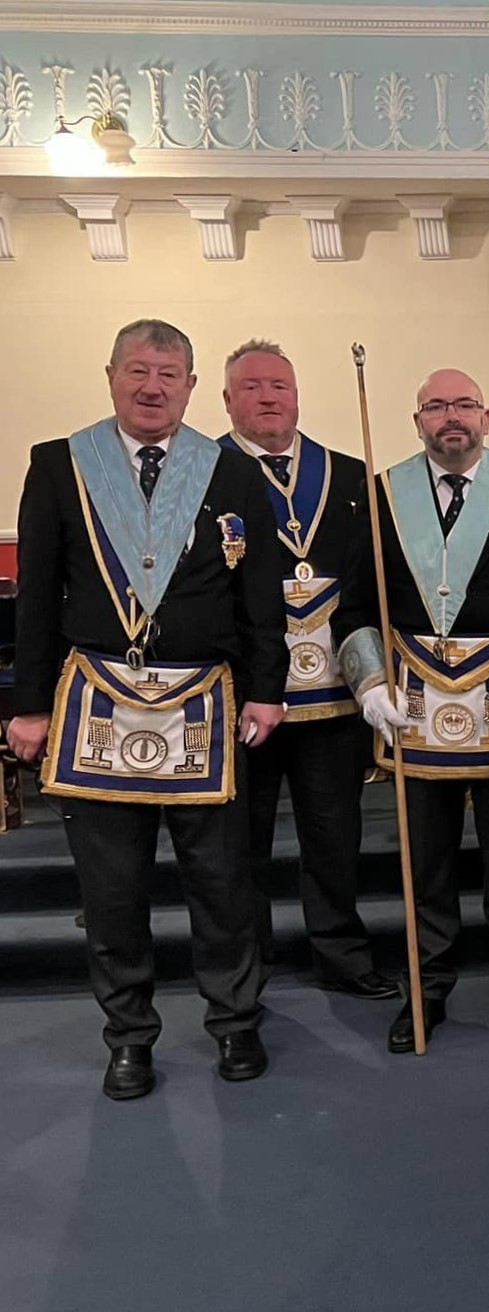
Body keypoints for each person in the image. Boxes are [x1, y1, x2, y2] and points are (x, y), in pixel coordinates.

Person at [7, 318, 287, 1098]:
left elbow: (260, 592)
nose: (153, 386)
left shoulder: (227, 472)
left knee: (222, 881)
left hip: (205, 702)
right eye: (138, 370)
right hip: (97, 698)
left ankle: (234, 1021)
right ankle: (128, 1036)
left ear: (192, 387)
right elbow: (36, 597)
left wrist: (268, 688)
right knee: (113, 888)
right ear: (111, 376)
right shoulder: (62, 465)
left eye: (169, 374)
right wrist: (28, 705)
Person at [336, 368, 489, 1052]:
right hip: (414, 713)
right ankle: (426, 984)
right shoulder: (382, 496)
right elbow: (353, 607)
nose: (450, 417)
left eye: (463, 403)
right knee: (425, 860)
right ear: (418, 422)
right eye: (435, 406)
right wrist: (370, 684)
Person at [218, 339, 396, 1000]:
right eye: (254, 387)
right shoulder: (207, 472)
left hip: (335, 698)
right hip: (243, 696)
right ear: (228, 398)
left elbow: (371, 590)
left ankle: (342, 954)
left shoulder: (350, 475)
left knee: (334, 836)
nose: (268, 398)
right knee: (242, 843)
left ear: (297, 395)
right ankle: (248, 963)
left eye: (280, 387)